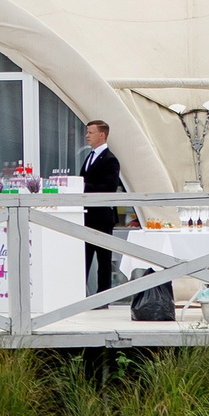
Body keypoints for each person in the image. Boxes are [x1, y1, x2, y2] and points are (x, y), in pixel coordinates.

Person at [81, 119, 125, 296]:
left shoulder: (110, 159)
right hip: (87, 215)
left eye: (90, 132)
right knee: (84, 257)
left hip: (101, 216)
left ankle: (103, 296)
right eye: (87, 132)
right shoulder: (90, 156)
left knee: (103, 259)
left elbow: (109, 187)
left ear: (102, 135)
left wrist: (83, 187)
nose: (87, 136)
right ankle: (79, 292)